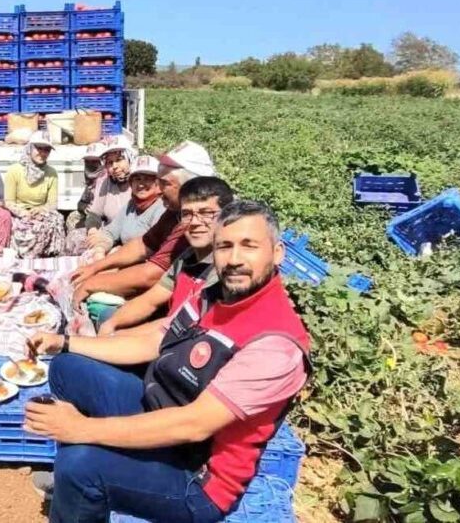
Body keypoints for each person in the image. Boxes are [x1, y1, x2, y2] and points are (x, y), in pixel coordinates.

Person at [23, 200, 312, 523]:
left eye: (249, 246)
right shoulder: (214, 295)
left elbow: (193, 424)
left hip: (198, 475)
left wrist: (82, 428)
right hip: (163, 409)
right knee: (68, 366)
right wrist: (66, 342)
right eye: (224, 246)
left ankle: (83, 474)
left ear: (277, 253)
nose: (234, 260)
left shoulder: (275, 344)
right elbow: (156, 339)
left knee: (81, 466)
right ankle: (83, 484)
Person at [70, 142, 216, 320]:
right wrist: (94, 267)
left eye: (164, 183)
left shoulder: (197, 221)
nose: (159, 190)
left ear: (190, 185)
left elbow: (151, 275)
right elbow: (143, 244)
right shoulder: (174, 212)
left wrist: (92, 283)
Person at [97, 176, 234, 337]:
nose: (195, 222)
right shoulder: (186, 258)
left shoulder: (225, 268)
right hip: (166, 339)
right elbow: (149, 301)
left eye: (206, 213)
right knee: (105, 316)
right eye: (187, 214)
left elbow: (173, 329)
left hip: (186, 347)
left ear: (227, 215)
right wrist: (112, 323)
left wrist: (114, 337)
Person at [64, 135, 135, 255]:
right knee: (75, 239)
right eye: (109, 162)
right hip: (109, 232)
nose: (114, 167)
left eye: (119, 160)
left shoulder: (139, 181)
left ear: (130, 158)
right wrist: (92, 231)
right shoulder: (105, 182)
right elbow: (95, 213)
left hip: (133, 236)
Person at [86, 155, 167, 258]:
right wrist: (100, 250)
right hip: (123, 257)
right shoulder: (131, 205)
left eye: (147, 179)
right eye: (137, 179)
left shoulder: (162, 208)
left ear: (158, 183)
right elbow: (111, 232)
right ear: (131, 183)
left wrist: (117, 255)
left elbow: (152, 248)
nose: (141, 184)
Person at [3, 131, 65, 259]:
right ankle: (24, 256)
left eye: (46, 150)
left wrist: (41, 210)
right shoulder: (15, 170)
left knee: (56, 218)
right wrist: (24, 213)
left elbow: (53, 203)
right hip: (19, 214)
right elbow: (8, 201)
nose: (42, 153)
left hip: (40, 214)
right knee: (22, 226)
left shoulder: (51, 173)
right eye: (39, 148)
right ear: (30, 148)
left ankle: (49, 255)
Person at [64, 142, 107, 234]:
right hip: (91, 216)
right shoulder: (91, 181)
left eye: (94, 161)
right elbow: (80, 203)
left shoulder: (107, 180)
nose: (90, 164)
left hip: (105, 220)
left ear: (103, 162)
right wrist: (85, 208)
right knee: (72, 217)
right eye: (87, 161)